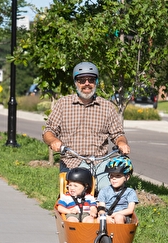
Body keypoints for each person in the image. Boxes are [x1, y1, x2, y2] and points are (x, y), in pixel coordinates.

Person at [43, 61, 130, 190]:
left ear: (96, 82)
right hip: (72, 162)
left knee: (110, 191)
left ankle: (105, 210)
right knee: (74, 195)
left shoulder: (107, 107)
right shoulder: (63, 104)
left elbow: (118, 134)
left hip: (100, 163)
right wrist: (53, 140)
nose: (87, 83)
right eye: (82, 80)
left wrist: (121, 142)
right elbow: (48, 131)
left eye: (91, 79)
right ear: (76, 83)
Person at [97, 156, 138, 224]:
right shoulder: (104, 191)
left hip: (123, 216)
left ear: (126, 177)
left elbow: (130, 210)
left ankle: (120, 234)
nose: (114, 178)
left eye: (118, 176)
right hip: (107, 215)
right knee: (100, 219)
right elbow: (101, 208)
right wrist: (105, 216)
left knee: (118, 217)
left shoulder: (130, 192)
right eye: (111, 176)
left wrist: (114, 215)